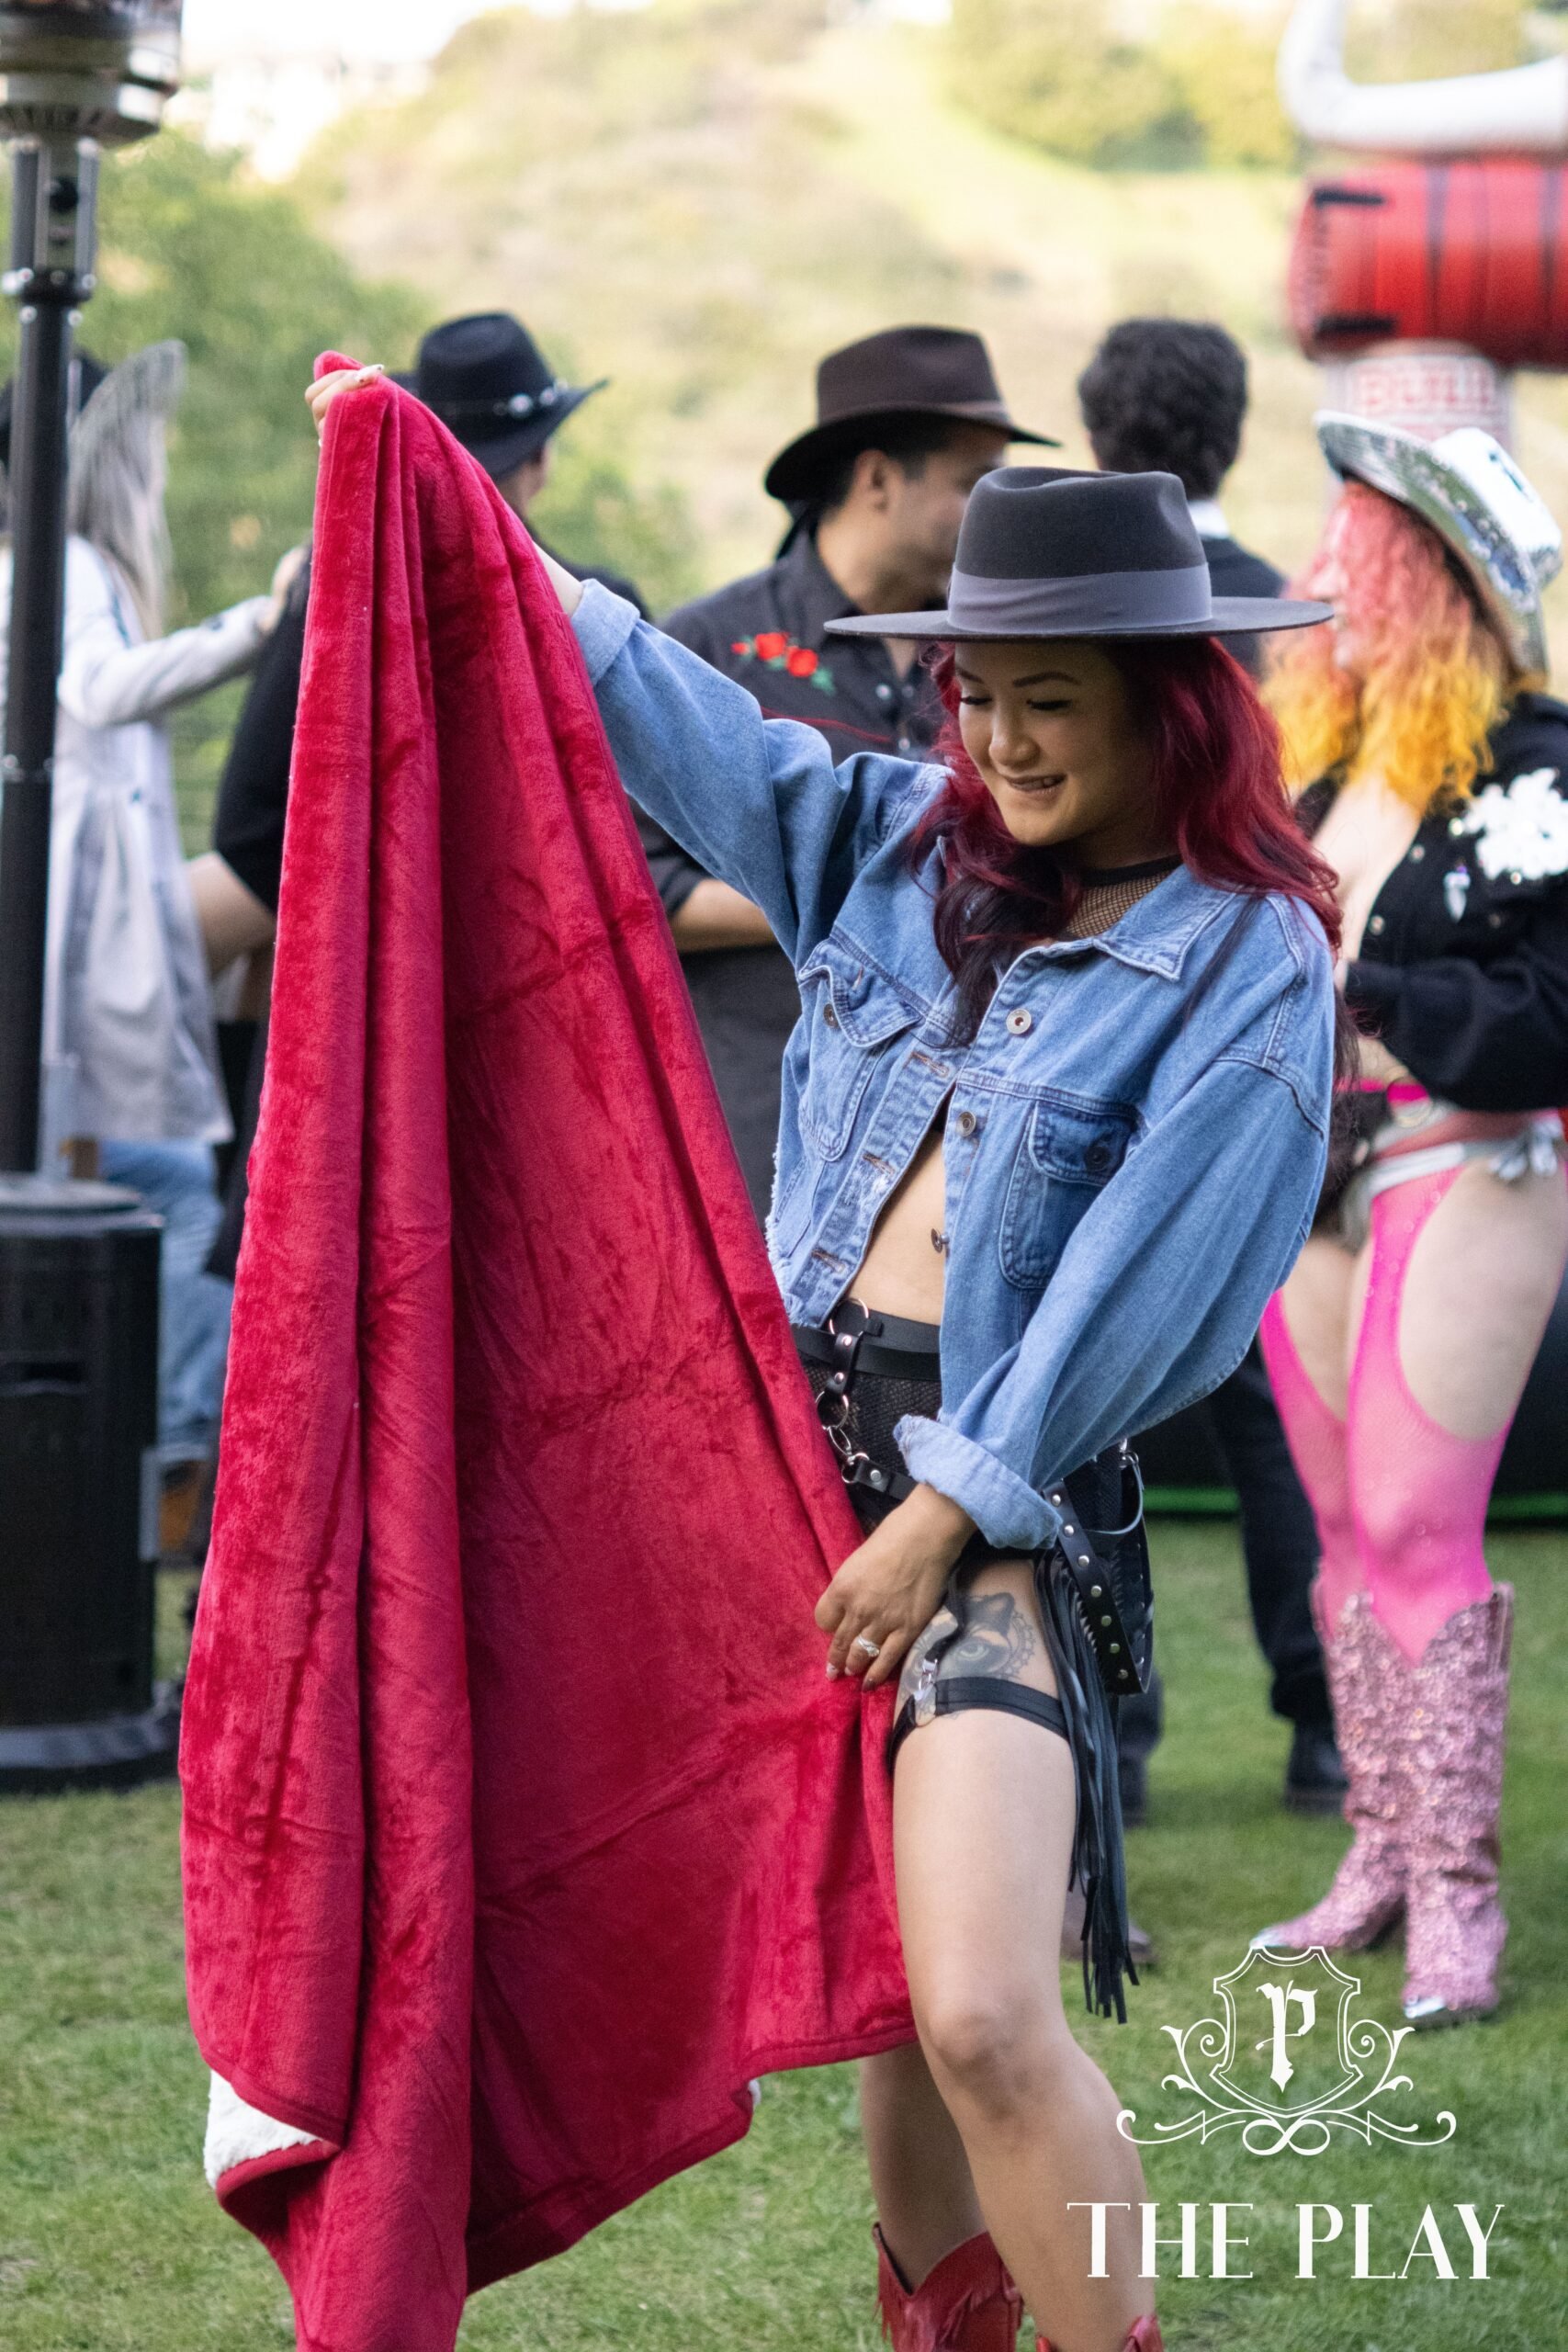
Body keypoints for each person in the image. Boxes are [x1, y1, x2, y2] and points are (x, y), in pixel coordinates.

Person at [315, 358, 1338, 2352]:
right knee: (881, 2015)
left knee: (979, 2009)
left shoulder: (1249, 957)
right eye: (974, 694)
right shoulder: (894, 850)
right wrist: (435, 485)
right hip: (779, 1488)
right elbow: (646, 697)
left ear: (1168, 702)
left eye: (1050, 701)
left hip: (993, 1517)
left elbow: (1144, 1291)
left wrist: (944, 1516)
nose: (998, 741)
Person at [1253, 415, 1568, 2028]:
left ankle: (1456, 1891)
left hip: (1467, 1152)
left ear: (1440, 583)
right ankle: (1381, 1852)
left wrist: (1360, 986)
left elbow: (1546, 1013)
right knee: (1338, 1526)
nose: (1330, 579)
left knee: (1410, 1522)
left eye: (1362, 558)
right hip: (1308, 1168)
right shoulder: (1323, 758)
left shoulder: (1534, 766)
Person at [189, 311, 645, 1280]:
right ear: (541, 460)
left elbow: (253, 827)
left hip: (358, 1011)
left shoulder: (342, 593)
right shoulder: (598, 612)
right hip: (540, 1024)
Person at [1077, 316, 1345, 1817]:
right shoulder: (1295, 627)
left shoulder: (1079, 616)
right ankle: (1318, 1728)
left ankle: (1113, 1739)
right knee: (1271, 1411)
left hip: (1106, 1045)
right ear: (1233, 434)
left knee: (1094, 1394)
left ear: (1091, 431)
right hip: (1264, 1045)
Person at [649, 324, 1055, 1216]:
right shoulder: (710, 650)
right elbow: (628, 885)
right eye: (972, 481)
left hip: (964, 1145)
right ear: (876, 479)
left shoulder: (1002, 653)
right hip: (763, 1130)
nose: (993, 507)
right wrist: (870, 889)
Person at [0, 340, 283, 1483]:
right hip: (69, 958)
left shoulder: (42, 565)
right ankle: (174, 1454)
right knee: (174, 1187)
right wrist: (258, 626)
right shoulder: (65, 563)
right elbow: (102, 688)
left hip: (70, 954)